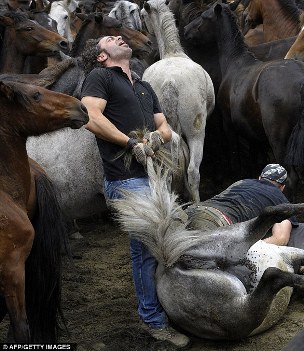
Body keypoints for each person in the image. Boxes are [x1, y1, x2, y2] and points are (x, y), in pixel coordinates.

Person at [79, 36, 190, 348]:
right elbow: (90, 117)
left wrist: (156, 138)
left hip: (154, 179)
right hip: (125, 179)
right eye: (110, 39)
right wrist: (130, 144)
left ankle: (169, 306)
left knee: (168, 239)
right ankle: (153, 321)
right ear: (102, 56)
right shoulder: (99, 77)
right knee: (145, 250)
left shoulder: (143, 85)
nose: (119, 37)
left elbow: (165, 127)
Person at [186, 163, 295, 241]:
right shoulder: (280, 199)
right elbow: (281, 238)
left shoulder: (242, 182)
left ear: (260, 177)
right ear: (282, 187)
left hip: (192, 210)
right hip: (216, 221)